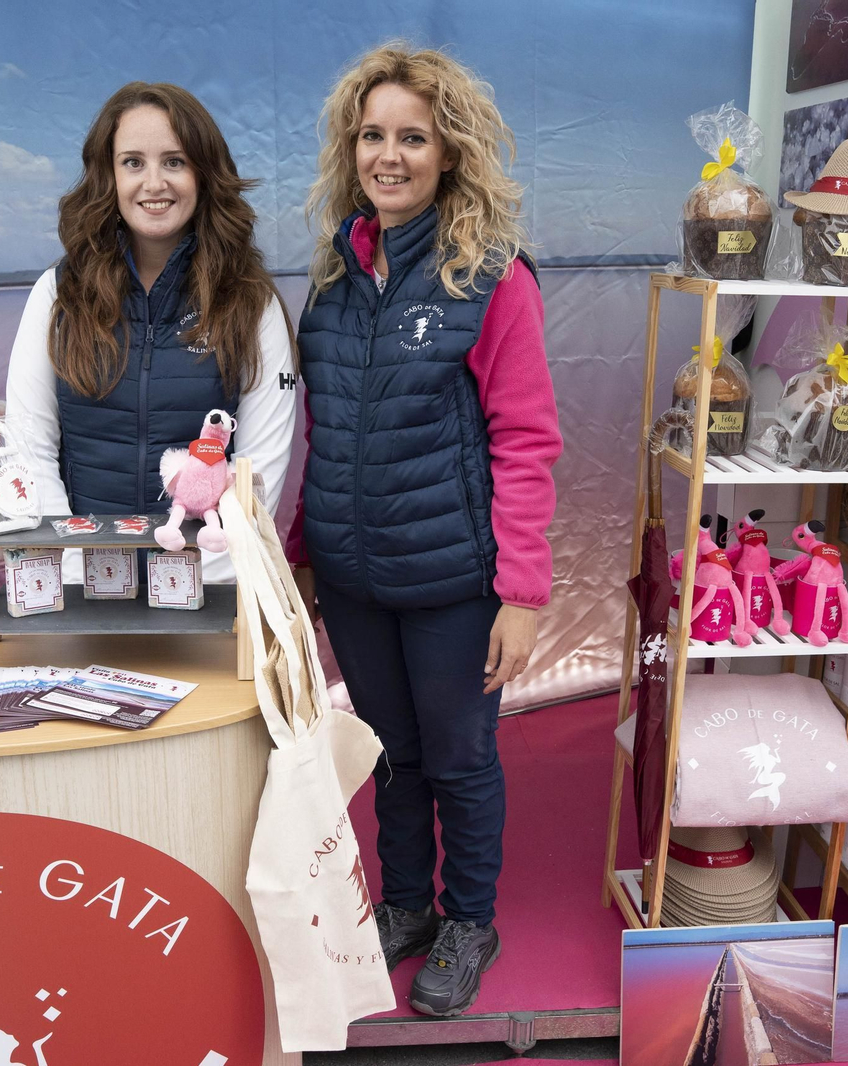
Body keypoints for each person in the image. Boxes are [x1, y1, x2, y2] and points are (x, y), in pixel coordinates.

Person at [287, 43, 562, 1017]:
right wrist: (302, 558)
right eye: (372, 135)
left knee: (458, 759)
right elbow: (320, 431)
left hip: (453, 581)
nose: (389, 155)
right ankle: (403, 904)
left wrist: (522, 594)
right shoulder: (329, 280)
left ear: (450, 152)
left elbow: (526, 441)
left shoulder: (491, 278)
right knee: (389, 756)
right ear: (349, 148)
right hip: (356, 580)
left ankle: (466, 920)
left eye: (413, 136)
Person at [5, 82, 296, 582]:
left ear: (204, 174)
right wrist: (82, 571)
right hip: (84, 589)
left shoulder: (251, 303)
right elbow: (30, 447)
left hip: (212, 589)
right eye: (133, 162)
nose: (154, 182)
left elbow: (258, 475)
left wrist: (190, 582)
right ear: (108, 176)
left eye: (175, 162)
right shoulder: (58, 295)